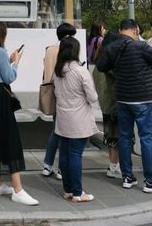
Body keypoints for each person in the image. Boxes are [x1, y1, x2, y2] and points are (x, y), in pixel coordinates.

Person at [96, 18, 152, 193]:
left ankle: (127, 177)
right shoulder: (140, 46)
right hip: (142, 98)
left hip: (122, 99)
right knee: (146, 138)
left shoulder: (112, 47)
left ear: (120, 30)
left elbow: (100, 66)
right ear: (136, 30)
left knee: (124, 137)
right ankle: (150, 181)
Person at [0, 21, 39, 206]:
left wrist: (9, 61)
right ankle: (18, 190)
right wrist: (16, 63)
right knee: (10, 139)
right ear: (1, 35)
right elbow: (9, 77)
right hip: (0, 98)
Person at [54, 36, 98, 202]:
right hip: (78, 119)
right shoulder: (80, 71)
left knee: (64, 154)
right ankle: (78, 193)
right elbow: (92, 97)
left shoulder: (58, 71)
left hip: (63, 118)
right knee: (75, 155)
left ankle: (68, 190)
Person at [41, 22, 77, 180]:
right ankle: (61, 168)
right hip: (64, 95)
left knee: (56, 131)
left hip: (52, 92)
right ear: (67, 36)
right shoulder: (64, 49)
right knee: (64, 132)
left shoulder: (49, 49)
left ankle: (47, 165)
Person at [91, 30, 121, 178]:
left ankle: (112, 164)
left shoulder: (98, 62)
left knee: (110, 137)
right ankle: (115, 166)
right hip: (115, 103)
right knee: (118, 137)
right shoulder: (111, 64)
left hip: (105, 104)